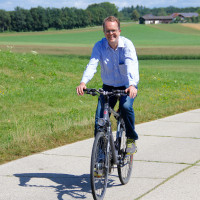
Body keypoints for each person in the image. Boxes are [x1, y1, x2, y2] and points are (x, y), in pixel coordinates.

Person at [76, 16, 139, 154]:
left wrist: (133, 84)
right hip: (108, 87)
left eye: (113, 30)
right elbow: (92, 64)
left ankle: (130, 138)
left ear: (119, 31)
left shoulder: (127, 45)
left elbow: (131, 65)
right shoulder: (99, 46)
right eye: (107, 31)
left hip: (127, 86)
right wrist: (83, 82)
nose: (111, 34)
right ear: (104, 32)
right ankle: (100, 157)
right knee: (100, 119)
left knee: (126, 106)